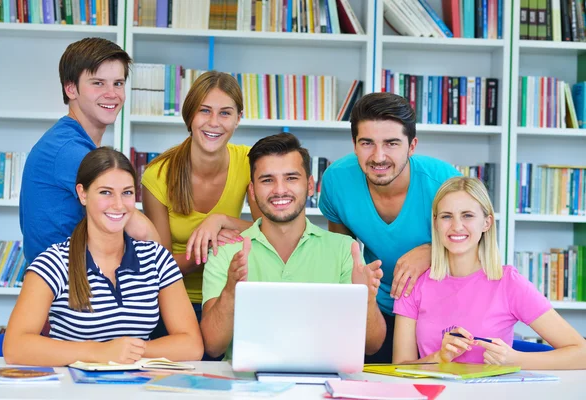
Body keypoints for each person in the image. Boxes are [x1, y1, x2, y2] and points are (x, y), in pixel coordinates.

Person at [4, 148, 204, 366]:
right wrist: (100, 351)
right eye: (106, 192)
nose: (118, 205)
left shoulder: (157, 259)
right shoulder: (53, 263)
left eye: (126, 192)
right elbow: (15, 347)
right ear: (82, 194)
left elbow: (192, 345)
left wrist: (129, 351)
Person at [201, 133, 386, 359]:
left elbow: (372, 346)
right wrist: (231, 291)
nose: (280, 190)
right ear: (252, 191)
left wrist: (366, 298)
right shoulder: (226, 251)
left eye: (291, 178)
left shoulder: (345, 249)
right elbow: (212, 346)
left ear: (309, 185)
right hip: (247, 387)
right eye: (267, 180)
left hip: (324, 385)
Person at [318, 92, 461, 362]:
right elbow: (343, 256)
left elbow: (480, 250)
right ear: (354, 144)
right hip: (377, 310)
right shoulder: (336, 180)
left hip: (441, 314)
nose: (379, 156)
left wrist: (433, 250)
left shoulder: (445, 182)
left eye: (392, 143)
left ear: (412, 146)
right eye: (367, 143)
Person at [393, 177, 586, 369]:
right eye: (446, 216)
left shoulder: (509, 283)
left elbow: (581, 353)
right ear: (435, 222)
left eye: (467, 215)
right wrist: (439, 358)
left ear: (486, 222)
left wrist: (516, 360)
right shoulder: (414, 283)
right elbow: (398, 367)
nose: (457, 226)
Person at [20, 37, 158, 265]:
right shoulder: (70, 151)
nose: (112, 93)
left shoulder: (69, 140)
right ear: (71, 89)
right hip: (64, 288)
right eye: (98, 83)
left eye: (118, 83)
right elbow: (143, 234)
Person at [142, 71, 261, 331]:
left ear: (239, 119)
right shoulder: (158, 174)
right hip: (170, 303)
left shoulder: (250, 161)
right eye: (204, 111)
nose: (214, 122)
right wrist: (206, 251)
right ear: (190, 116)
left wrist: (221, 221)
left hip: (230, 297)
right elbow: (159, 266)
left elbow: (270, 232)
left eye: (225, 113)